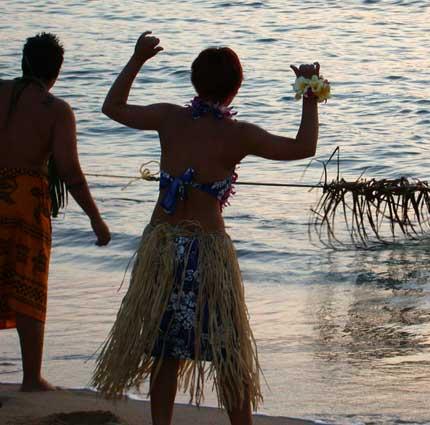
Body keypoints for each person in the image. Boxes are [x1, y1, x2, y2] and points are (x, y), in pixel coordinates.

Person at [91, 31, 322, 425]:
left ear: (193, 82)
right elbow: (304, 148)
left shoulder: (169, 118)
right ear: (237, 88)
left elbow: (112, 107)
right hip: (207, 253)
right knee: (229, 352)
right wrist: (310, 94)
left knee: (166, 351)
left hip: (163, 248)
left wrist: (138, 59)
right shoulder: (239, 134)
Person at [0, 33, 111, 391]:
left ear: (23, 61)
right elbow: (69, 172)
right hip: (25, 202)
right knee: (28, 286)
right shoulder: (55, 110)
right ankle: (31, 378)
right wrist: (95, 218)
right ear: (57, 72)